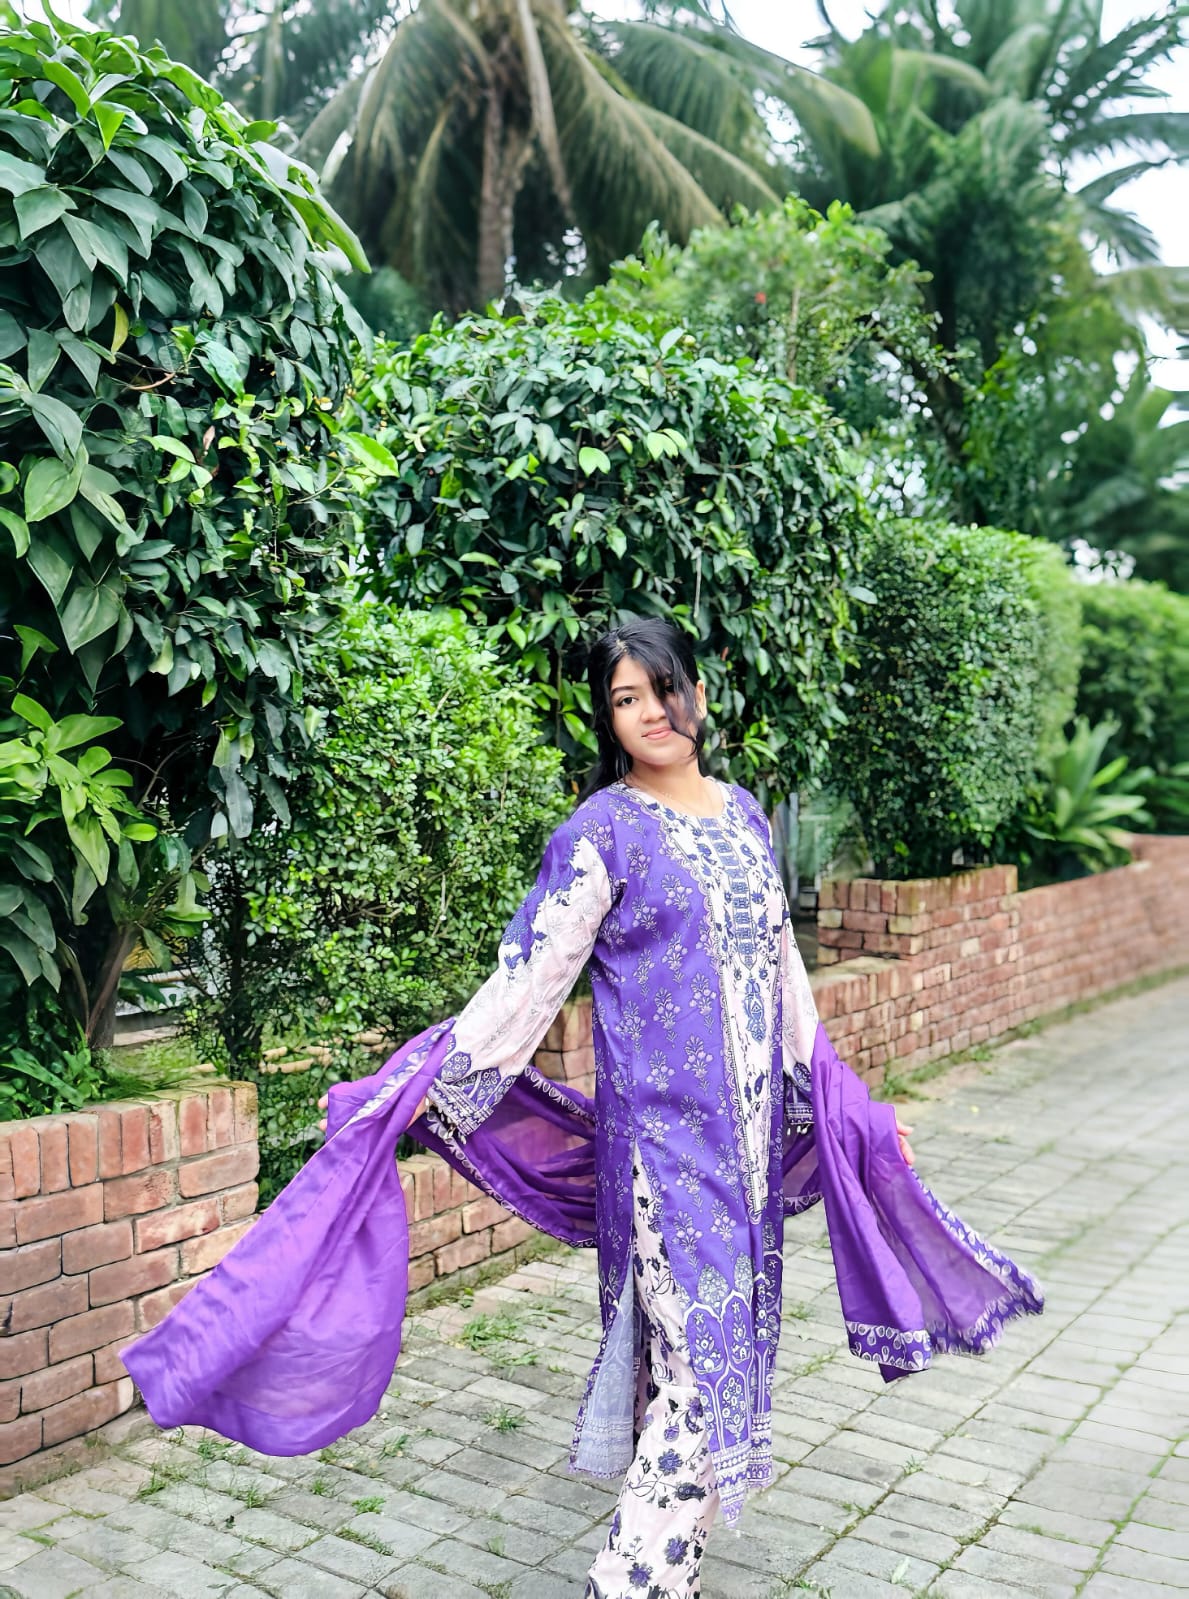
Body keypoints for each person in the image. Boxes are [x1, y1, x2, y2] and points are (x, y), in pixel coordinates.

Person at [125, 616, 1042, 1599]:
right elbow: (526, 985)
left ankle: (667, 1573)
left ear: (699, 692)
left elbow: (787, 991)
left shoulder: (744, 818)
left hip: (746, 1161)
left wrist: (849, 1108)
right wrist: (419, 1084)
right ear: (608, 721)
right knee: (702, 1377)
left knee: (696, 1367)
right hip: (662, 1160)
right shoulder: (600, 834)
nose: (650, 712)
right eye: (624, 699)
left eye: (663, 688)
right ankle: (630, 1580)